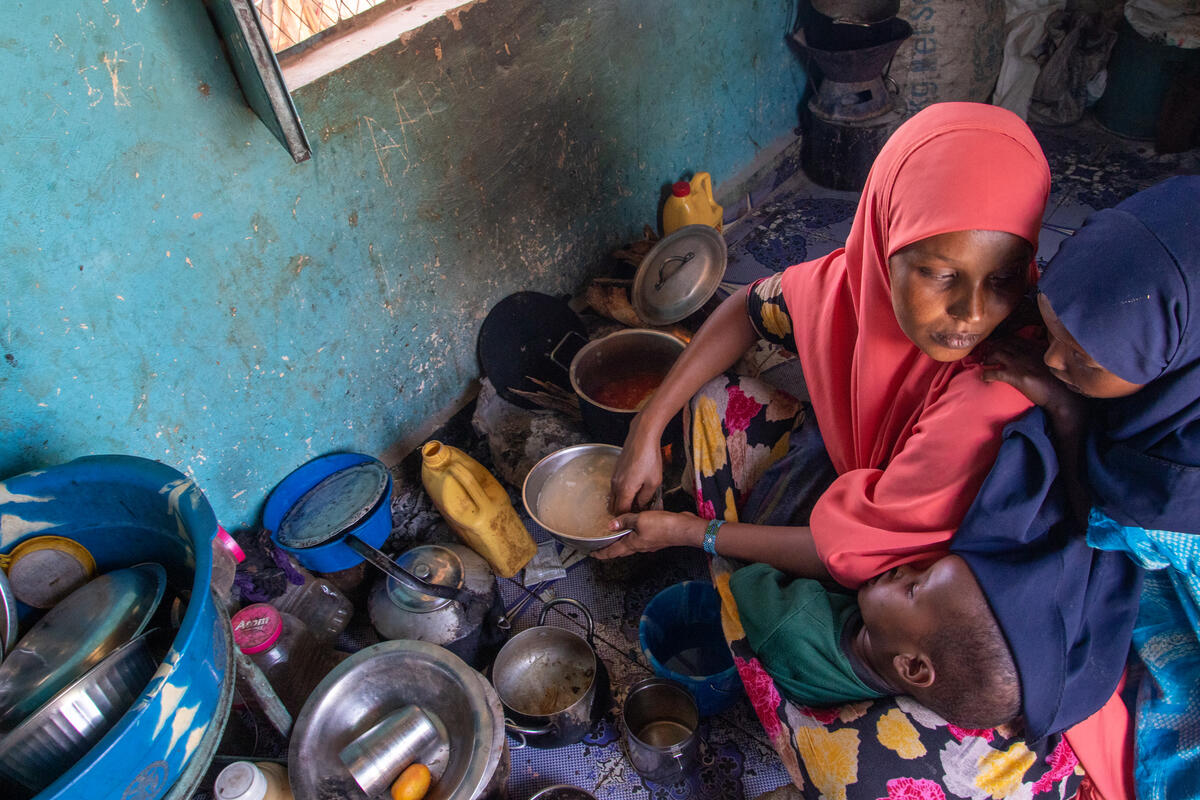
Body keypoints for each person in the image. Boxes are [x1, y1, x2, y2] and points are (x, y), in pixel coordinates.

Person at [595, 101, 1052, 591]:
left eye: (1004, 279)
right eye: (940, 275)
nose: (973, 313)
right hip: (871, 496)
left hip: (923, 591)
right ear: (883, 239)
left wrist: (692, 533)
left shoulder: (994, 390)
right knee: (713, 402)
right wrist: (648, 423)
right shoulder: (858, 284)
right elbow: (749, 309)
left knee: (777, 621)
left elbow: (853, 553)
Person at [982, 175, 1200, 800]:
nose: (1051, 362)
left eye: (1085, 362)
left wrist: (1070, 417)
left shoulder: (1176, 495)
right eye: (1052, 332)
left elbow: (1100, 521)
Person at [729, 554, 1021, 729]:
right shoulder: (890, 663)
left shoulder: (791, 621)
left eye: (913, 588)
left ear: (913, 666)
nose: (903, 568)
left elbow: (744, 576)